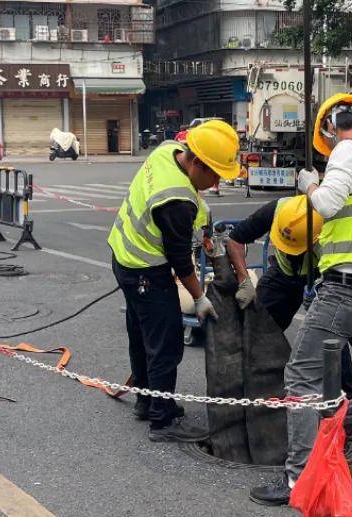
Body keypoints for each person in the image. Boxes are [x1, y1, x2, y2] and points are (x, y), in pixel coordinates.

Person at [249, 94, 352, 505]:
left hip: (347, 288)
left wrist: (309, 184)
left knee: (302, 375)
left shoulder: (348, 150)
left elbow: (328, 203)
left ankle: (298, 478)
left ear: (331, 128)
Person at [108, 120, 240, 442]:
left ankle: (146, 401)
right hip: (146, 272)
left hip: (123, 257)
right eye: (215, 174)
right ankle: (162, 419)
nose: (217, 181)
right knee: (165, 344)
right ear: (197, 163)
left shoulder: (167, 151)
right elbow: (181, 260)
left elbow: (192, 198)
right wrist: (199, 298)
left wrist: (204, 222)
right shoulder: (176, 202)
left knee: (141, 334)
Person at [226, 195, 352, 397]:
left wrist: (320, 288)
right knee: (255, 328)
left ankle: (348, 397)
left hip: (321, 275)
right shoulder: (277, 209)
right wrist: (244, 280)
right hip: (282, 273)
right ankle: (250, 391)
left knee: (329, 337)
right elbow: (235, 239)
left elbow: (342, 276)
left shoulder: (333, 230)